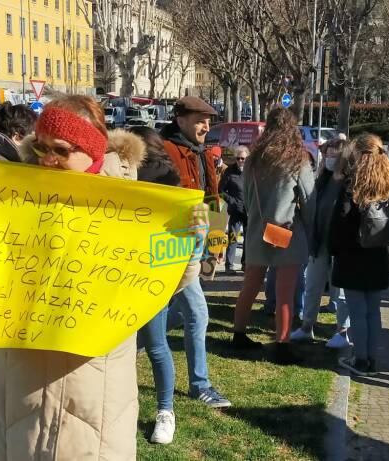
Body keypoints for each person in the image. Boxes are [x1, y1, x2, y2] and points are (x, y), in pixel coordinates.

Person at [0, 95, 163, 460]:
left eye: (60, 150)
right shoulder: (17, 195)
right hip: (18, 388)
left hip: (91, 391)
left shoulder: (131, 206)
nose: (47, 159)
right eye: (42, 147)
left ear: (91, 150)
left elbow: (171, 281)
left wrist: (190, 240)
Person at [230, 107, 315, 364]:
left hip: (257, 230)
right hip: (286, 231)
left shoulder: (254, 158)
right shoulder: (297, 158)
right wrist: (313, 234)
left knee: (250, 286)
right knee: (285, 292)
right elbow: (308, 199)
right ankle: (282, 342)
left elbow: (246, 195)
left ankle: (238, 334)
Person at [161, 96, 232, 407]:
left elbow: (213, 199)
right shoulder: (163, 151)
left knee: (172, 312)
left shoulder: (203, 153)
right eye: (200, 119)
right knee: (196, 312)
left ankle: (120, 349)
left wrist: (216, 242)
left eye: (209, 120)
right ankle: (200, 385)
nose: (206, 125)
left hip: (196, 239)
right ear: (181, 120)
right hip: (169, 241)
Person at [129, 125, 189, 445]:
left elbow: (187, 229)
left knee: (155, 344)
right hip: (136, 274)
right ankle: (161, 410)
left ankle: (165, 411)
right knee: (152, 345)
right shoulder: (121, 177)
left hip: (151, 275)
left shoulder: (163, 181)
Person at [333, 134, 389, 376]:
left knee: (357, 310)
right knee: (373, 310)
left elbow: (341, 220)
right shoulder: (388, 183)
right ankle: (372, 358)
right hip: (379, 252)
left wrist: (333, 248)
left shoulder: (353, 183)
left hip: (353, 253)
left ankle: (360, 359)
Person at [290, 139, 352, 346]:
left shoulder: (349, 183)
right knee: (313, 285)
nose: (328, 159)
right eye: (326, 155)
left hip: (341, 245)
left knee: (341, 290)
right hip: (319, 243)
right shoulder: (323, 181)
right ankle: (307, 327)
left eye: (333, 155)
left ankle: (343, 332)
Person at [219, 146, 247, 274]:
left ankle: (245, 264)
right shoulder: (229, 172)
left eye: (243, 158)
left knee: (248, 238)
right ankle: (229, 266)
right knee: (233, 237)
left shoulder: (250, 171)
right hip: (235, 210)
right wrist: (232, 201)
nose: (241, 161)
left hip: (248, 210)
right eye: (238, 158)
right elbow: (221, 191)